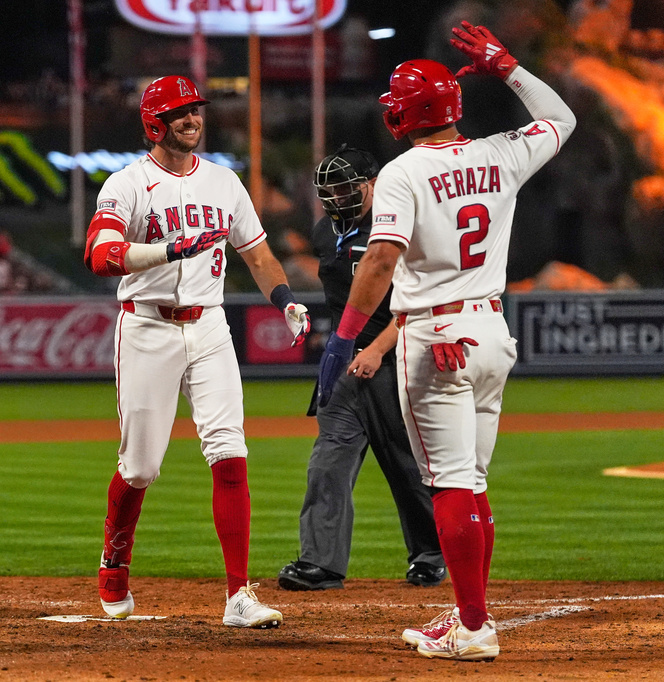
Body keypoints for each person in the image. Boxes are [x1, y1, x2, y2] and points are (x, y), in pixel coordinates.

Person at [316, 22, 575, 660]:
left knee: (452, 485)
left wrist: (343, 338)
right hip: (491, 329)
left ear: (407, 113)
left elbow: (378, 263)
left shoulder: (403, 173)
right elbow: (561, 118)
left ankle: (474, 628)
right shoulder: (499, 153)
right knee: (474, 481)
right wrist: (506, 64)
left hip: (434, 334)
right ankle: (468, 614)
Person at [83, 74, 311, 628]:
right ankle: (115, 560)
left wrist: (284, 300)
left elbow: (258, 255)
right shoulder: (127, 184)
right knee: (140, 467)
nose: (193, 119)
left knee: (230, 452)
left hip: (209, 325)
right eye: (181, 112)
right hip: (147, 328)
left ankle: (238, 594)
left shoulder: (225, 183)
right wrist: (166, 250)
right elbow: (99, 253)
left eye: (196, 110)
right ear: (153, 124)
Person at [278, 146, 445, 592]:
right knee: (327, 461)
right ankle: (321, 563)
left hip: (397, 361)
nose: (337, 196)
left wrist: (375, 349)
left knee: (406, 468)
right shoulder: (322, 231)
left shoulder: (397, 228)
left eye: (347, 186)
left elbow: (418, 302)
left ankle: (430, 556)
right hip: (346, 365)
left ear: (373, 184)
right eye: (330, 189)